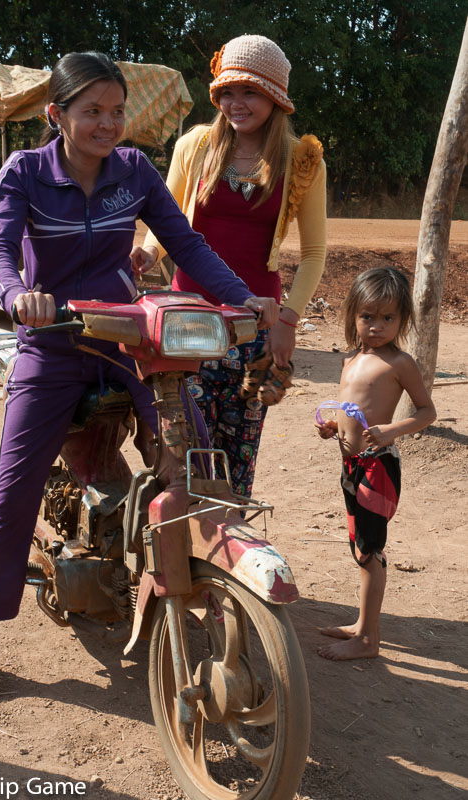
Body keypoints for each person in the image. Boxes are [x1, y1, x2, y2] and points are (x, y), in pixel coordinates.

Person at [0, 51, 278, 711]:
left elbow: (184, 243)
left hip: (129, 334)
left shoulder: (133, 171)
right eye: (91, 111)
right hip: (57, 336)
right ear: (56, 115)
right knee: (14, 492)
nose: (107, 123)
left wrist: (245, 298)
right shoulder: (26, 172)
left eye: (116, 111)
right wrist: (18, 297)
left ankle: (201, 586)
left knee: (194, 455)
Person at [131, 34, 327, 497]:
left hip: (255, 324)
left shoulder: (301, 160)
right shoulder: (195, 146)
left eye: (250, 92)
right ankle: (178, 548)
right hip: (185, 322)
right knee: (185, 445)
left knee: (239, 449)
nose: (236, 103)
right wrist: (148, 251)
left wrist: (289, 321)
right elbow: (168, 220)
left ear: (275, 98)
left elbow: (315, 253)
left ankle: (229, 544)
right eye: (227, 92)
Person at [315, 268, 436, 660]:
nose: (378, 326)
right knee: (359, 548)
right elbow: (351, 413)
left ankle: (368, 640)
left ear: (403, 319)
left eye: (389, 318)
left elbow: (426, 411)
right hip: (351, 466)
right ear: (353, 315)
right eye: (368, 317)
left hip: (377, 467)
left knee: (370, 552)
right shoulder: (351, 361)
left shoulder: (400, 363)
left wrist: (390, 431)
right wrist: (333, 427)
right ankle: (362, 623)